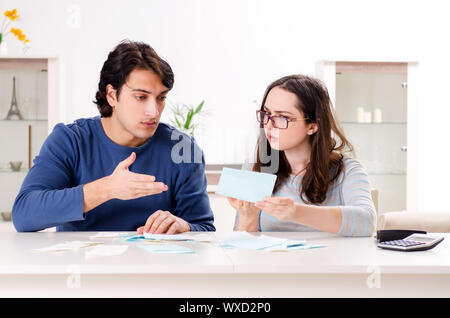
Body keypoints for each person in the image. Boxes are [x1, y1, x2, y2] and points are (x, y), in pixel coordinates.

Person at [12, 40, 215, 234]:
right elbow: (24, 213)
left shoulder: (183, 149)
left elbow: (203, 229)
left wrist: (185, 226)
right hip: (83, 267)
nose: (154, 111)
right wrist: (107, 188)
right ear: (111, 95)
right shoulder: (70, 140)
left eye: (161, 98)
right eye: (141, 97)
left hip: (154, 267)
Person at [228, 74, 376, 236]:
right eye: (266, 114)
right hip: (272, 261)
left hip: (328, 261)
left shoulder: (347, 170)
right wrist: (248, 216)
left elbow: (367, 223)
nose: (269, 125)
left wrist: (296, 212)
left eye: (283, 117)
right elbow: (242, 242)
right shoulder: (253, 168)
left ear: (312, 126)